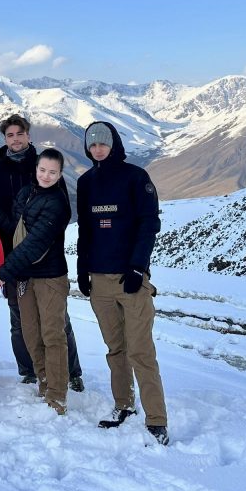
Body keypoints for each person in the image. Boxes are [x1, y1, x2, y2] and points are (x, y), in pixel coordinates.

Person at [76, 121, 170, 446]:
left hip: (130, 278)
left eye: (103, 143)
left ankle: (157, 420)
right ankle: (124, 405)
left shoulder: (136, 177)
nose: (98, 148)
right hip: (99, 281)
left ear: (114, 143)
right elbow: (86, 230)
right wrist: (82, 269)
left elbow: (149, 224)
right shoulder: (86, 182)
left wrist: (136, 268)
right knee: (116, 349)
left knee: (141, 351)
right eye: (93, 144)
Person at [0, 114, 84, 391]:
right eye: (10, 135)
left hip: (45, 257)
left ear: (29, 135)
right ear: (4, 139)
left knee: (56, 320)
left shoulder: (43, 166)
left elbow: (57, 212)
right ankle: (30, 371)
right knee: (20, 318)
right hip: (10, 254)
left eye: (20, 134)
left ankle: (71, 372)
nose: (15, 139)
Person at [0, 148, 72, 414]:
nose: (46, 176)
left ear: (60, 174)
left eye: (52, 172)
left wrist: (5, 271)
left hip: (49, 278)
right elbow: (16, 230)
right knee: (31, 334)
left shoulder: (57, 202)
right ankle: (44, 383)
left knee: (52, 336)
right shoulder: (27, 193)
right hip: (26, 278)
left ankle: (57, 396)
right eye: (42, 170)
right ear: (36, 169)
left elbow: (34, 244)